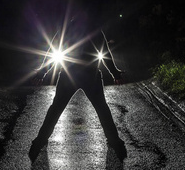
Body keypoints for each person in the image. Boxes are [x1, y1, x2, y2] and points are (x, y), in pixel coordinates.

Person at [29, 10, 126, 161]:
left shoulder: (66, 29)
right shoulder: (95, 30)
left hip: (69, 74)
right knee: (102, 109)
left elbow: (54, 52)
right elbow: (105, 54)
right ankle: (116, 143)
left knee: (56, 109)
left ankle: (39, 142)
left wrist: (42, 72)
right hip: (90, 75)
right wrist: (115, 73)